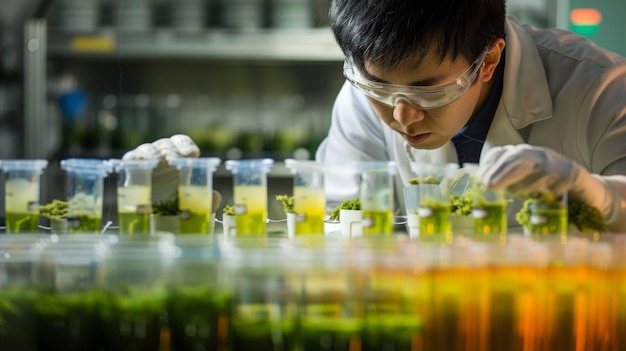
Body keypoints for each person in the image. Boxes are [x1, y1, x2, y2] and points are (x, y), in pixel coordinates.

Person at [314, 0, 626, 232]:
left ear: (488, 60)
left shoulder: (602, 91)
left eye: (428, 91)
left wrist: (595, 194)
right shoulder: (360, 98)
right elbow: (337, 225)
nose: (403, 116)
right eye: (379, 88)